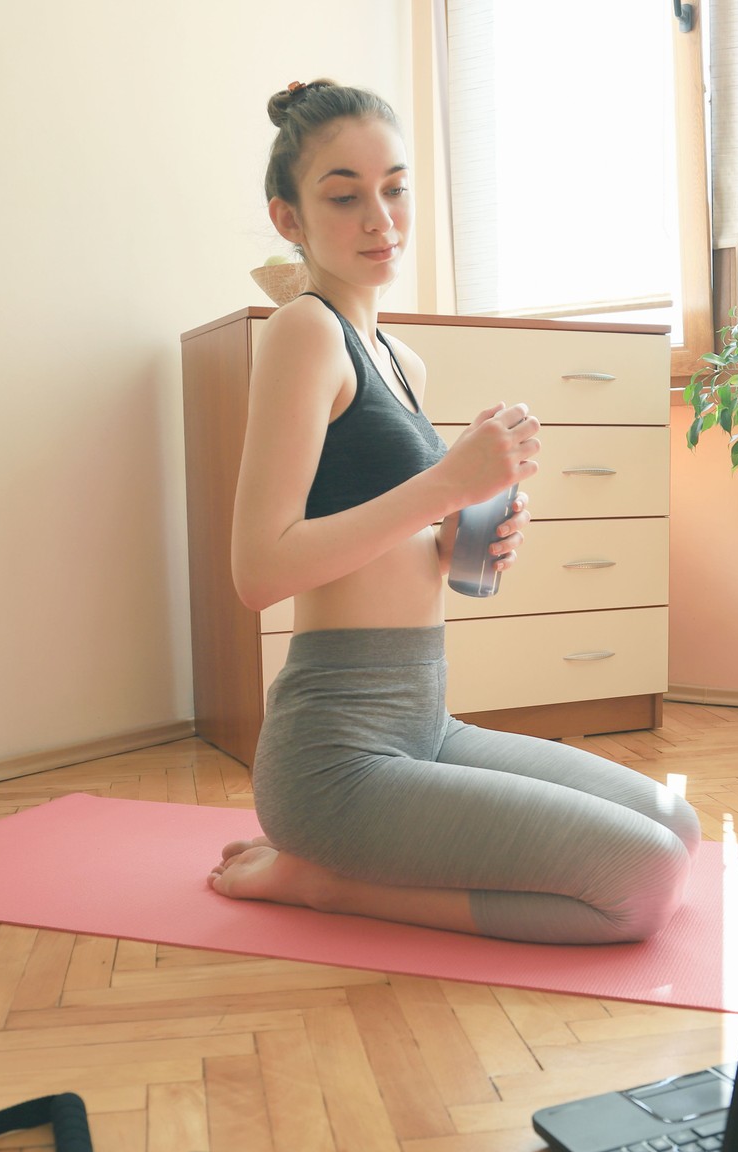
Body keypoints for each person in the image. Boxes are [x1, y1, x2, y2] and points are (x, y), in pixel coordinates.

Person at [207, 78, 700, 944]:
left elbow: (396, 544)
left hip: (424, 721)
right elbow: (260, 570)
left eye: (395, 188)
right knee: (644, 882)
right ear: (289, 219)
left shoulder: (401, 358)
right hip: (337, 757)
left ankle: (337, 867)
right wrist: (446, 485)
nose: (379, 218)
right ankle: (321, 883)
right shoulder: (303, 331)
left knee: (678, 825)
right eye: (344, 195)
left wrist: (467, 536)